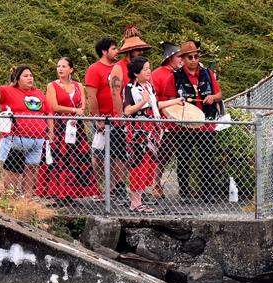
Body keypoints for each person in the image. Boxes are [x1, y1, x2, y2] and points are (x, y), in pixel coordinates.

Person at [122, 57, 182, 213]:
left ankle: (139, 200)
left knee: (149, 164)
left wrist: (175, 101)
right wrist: (142, 102)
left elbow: (156, 104)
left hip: (152, 130)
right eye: (145, 69)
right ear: (136, 72)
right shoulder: (130, 87)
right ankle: (135, 202)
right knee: (138, 165)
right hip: (138, 132)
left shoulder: (149, 86)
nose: (149, 71)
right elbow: (127, 110)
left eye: (149, 68)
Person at [40, 57, 99, 201]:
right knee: (60, 158)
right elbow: (53, 107)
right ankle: (59, 193)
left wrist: (78, 111)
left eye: (64, 66)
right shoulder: (52, 85)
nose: (60, 69)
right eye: (58, 66)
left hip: (75, 126)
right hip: (60, 125)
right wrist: (73, 110)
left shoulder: (78, 85)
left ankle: (72, 192)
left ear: (71, 69)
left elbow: (83, 106)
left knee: (77, 157)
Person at [172, 40, 223, 201]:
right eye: (190, 57)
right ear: (183, 59)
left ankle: (207, 192)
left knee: (207, 156)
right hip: (186, 123)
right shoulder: (175, 76)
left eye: (196, 56)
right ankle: (185, 193)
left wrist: (212, 97)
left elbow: (219, 94)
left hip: (206, 121)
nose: (194, 59)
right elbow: (169, 99)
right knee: (184, 157)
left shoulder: (207, 72)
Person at [0, 67, 53, 196]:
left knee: (32, 168)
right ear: (17, 79)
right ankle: (10, 198)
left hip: (37, 139)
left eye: (31, 75)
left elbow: (49, 113)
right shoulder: (7, 91)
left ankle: (27, 198)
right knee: (13, 169)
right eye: (25, 76)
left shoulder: (38, 93)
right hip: (16, 138)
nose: (30, 78)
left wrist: (51, 132)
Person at [85, 36, 127, 197]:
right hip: (103, 119)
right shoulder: (94, 69)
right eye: (114, 48)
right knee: (99, 154)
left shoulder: (120, 67)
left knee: (120, 154)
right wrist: (97, 117)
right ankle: (101, 187)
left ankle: (118, 187)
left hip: (119, 118)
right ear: (104, 51)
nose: (117, 52)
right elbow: (91, 96)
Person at [150, 42, 182, 200]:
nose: (181, 60)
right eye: (178, 57)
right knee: (160, 154)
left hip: (178, 121)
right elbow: (153, 99)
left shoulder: (180, 73)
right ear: (170, 58)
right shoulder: (157, 74)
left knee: (168, 154)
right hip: (162, 120)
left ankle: (157, 183)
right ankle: (154, 184)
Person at [111, 26, 151, 117]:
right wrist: (121, 117)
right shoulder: (119, 67)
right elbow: (115, 94)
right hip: (126, 116)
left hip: (145, 116)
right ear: (130, 50)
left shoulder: (144, 66)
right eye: (138, 49)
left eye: (142, 49)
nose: (141, 52)